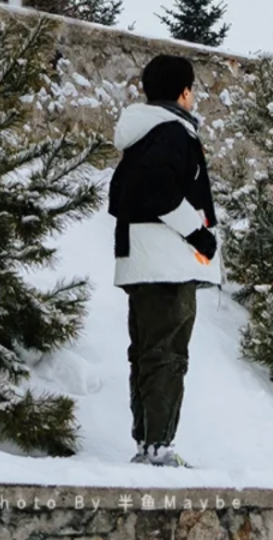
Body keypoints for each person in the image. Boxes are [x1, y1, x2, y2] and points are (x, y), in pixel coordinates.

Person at [107, 53, 220, 467]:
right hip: (166, 262)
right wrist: (199, 234)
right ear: (185, 91)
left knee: (147, 353)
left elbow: (121, 197)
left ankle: (148, 444)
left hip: (140, 259)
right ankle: (158, 448)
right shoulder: (173, 133)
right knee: (167, 355)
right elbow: (160, 193)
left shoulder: (142, 136)